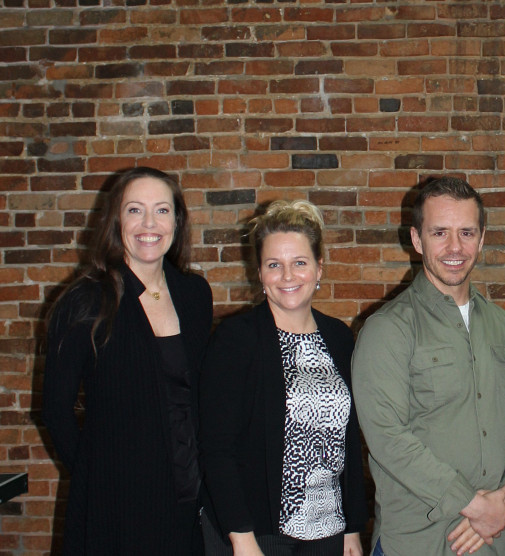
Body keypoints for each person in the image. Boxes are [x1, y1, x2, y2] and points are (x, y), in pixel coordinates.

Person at [352, 177, 505, 556]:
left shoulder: (502, 326)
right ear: (417, 239)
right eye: (440, 232)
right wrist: (472, 505)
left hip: (492, 540)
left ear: (482, 238)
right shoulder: (388, 329)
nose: (455, 247)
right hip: (420, 541)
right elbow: (388, 437)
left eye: (466, 232)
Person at [42, 167, 213, 554]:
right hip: (116, 507)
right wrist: (97, 475)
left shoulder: (194, 294)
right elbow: (55, 411)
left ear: (177, 220)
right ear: (116, 220)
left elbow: (194, 396)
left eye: (162, 211)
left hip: (188, 501)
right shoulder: (86, 301)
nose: (149, 224)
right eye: (135, 210)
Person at [199, 200, 366, 556]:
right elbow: (216, 449)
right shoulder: (235, 339)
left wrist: (353, 526)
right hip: (260, 532)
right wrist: (241, 537)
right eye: (274, 265)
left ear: (319, 269)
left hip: (329, 527)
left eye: (300, 263)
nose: (288, 277)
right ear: (259, 273)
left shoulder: (338, 337)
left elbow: (349, 439)